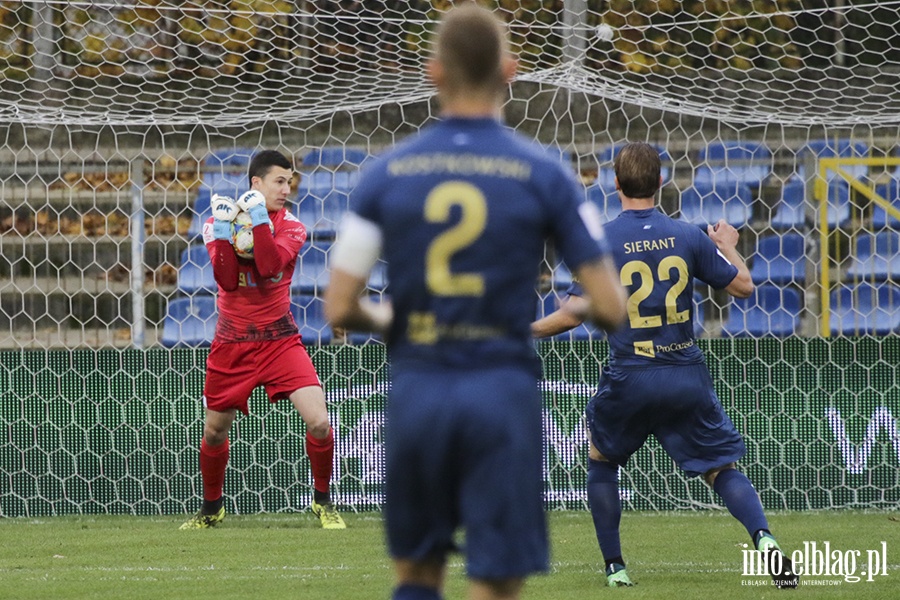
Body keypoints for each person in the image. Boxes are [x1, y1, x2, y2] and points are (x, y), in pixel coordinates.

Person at [323, 5, 627, 600]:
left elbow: (338, 308)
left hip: (418, 391)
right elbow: (611, 306)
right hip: (502, 392)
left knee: (416, 573)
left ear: (434, 72)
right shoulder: (546, 173)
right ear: (509, 69)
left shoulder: (385, 174)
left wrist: (398, 321)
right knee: (494, 579)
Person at [532, 142, 799, 589]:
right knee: (720, 470)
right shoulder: (687, 234)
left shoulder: (601, 241)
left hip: (631, 375)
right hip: (684, 373)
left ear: (615, 184)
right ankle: (765, 540)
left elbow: (572, 314)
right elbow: (746, 287)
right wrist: (728, 246)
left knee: (601, 461)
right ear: (660, 182)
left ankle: (616, 568)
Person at [180, 149, 346, 530]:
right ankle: (212, 509)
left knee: (320, 421)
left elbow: (269, 266)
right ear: (256, 183)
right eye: (280, 181)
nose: (287, 189)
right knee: (214, 430)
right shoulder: (216, 221)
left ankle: (323, 503)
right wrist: (223, 233)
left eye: (289, 182)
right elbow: (224, 279)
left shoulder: (292, 227)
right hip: (232, 341)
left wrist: (257, 219)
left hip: (279, 341)